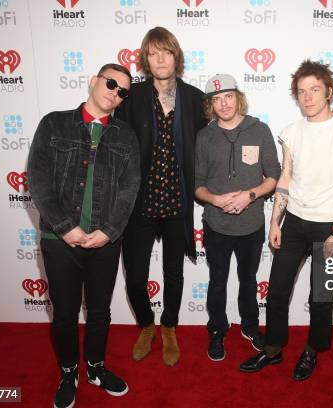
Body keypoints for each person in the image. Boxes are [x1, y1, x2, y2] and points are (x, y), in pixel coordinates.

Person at [27, 63, 140, 407]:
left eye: (123, 91)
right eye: (110, 83)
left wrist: (108, 231)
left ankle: (94, 367)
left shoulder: (125, 135)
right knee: (64, 313)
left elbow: (129, 187)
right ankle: (68, 371)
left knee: (101, 311)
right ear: (93, 81)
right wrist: (65, 227)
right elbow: (38, 177)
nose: (115, 92)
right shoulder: (54, 123)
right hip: (58, 241)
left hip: (105, 242)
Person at [240, 60, 333, 381]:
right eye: (302, 92)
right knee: (277, 291)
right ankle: (273, 351)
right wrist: (275, 222)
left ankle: (311, 352)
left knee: (320, 298)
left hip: (329, 228)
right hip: (293, 222)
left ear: (329, 92)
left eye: (314, 90)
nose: (307, 97)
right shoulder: (291, 132)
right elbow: (286, 177)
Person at [115, 27, 208, 366]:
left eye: (165, 52)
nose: (160, 59)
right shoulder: (133, 98)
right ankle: (146, 325)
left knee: (174, 273)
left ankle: (169, 326)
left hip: (176, 201)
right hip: (139, 202)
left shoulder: (196, 99)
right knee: (136, 276)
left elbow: (209, 147)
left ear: (176, 56)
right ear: (146, 59)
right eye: (153, 53)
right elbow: (117, 146)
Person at [194, 74, 281, 361]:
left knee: (249, 279)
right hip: (216, 225)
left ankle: (250, 326)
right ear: (211, 105)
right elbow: (197, 185)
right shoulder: (205, 136)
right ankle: (217, 330)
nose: (223, 104)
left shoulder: (260, 129)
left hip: (251, 224)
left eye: (228, 96)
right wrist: (216, 199)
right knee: (217, 281)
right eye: (216, 99)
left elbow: (274, 177)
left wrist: (250, 196)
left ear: (238, 97)